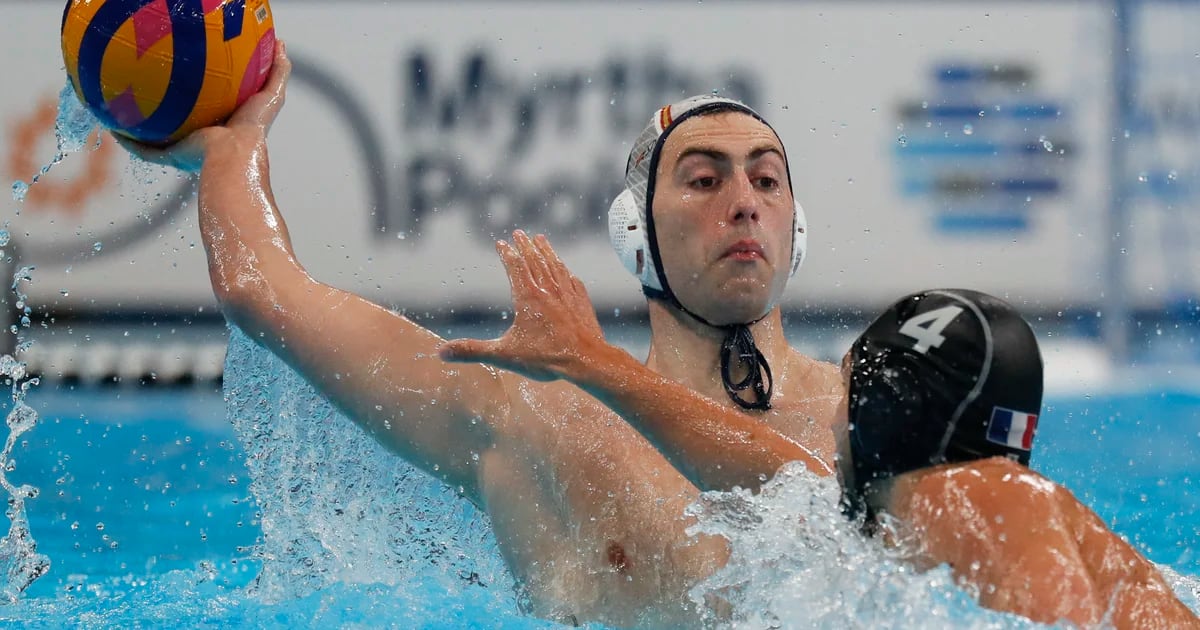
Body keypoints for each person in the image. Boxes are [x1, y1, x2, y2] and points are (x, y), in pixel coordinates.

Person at [118, 41, 840, 627]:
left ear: (795, 228)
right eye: (705, 181)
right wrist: (232, 151)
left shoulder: (864, 411)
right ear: (637, 232)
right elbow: (263, 294)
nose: (745, 204)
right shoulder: (539, 416)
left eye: (768, 181)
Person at [440, 233, 1200, 629]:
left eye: (848, 386)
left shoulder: (978, 498)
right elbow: (763, 469)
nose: (829, 410)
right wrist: (592, 364)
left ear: (886, 406)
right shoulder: (907, 517)